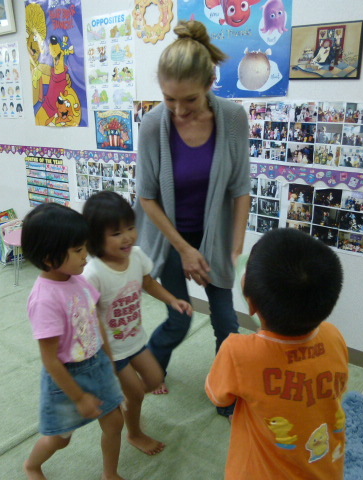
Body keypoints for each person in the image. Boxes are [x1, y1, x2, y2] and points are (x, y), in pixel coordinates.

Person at [134, 20, 250, 416]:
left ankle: (225, 394)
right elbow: (147, 196)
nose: (180, 110)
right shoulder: (153, 124)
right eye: (169, 99)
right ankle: (151, 372)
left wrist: (235, 247)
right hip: (168, 238)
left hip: (214, 236)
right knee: (179, 317)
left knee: (226, 322)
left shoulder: (233, 118)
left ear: (210, 84)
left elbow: (241, 187)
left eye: (190, 100)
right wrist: (184, 249)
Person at [205, 228, 348, 479]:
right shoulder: (334, 336)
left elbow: (219, 397)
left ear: (251, 304)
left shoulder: (237, 353)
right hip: (326, 470)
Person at [83, 191, 192, 456]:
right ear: (96, 237)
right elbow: (87, 320)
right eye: (116, 233)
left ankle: (126, 401)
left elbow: (149, 283)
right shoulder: (93, 273)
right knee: (137, 394)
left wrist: (173, 300)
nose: (128, 237)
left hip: (135, 339)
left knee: (155, 379)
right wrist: (101, 358)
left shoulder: (137, 256)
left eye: (131, 228)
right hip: (112, 351)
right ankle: (134, 433)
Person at [21, 203, 126, 480]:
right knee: (60, 439)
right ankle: (32, 465)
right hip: (67, 376)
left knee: (115, 422)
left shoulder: (77, 279)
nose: (85, 255)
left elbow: (94, 318)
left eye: (85, 247)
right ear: (49, 258)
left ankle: (110, 473)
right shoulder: (44, 299)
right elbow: (50, 360)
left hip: (97, 363)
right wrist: (79, 397)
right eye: (78, 250)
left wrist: (109, 359)